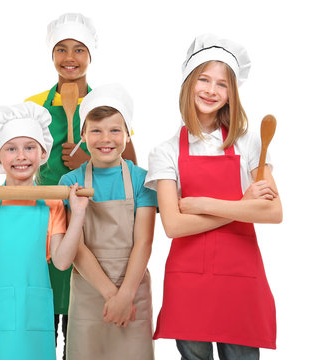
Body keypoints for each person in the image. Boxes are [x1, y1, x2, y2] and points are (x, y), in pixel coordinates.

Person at [145, 34, 282, 359]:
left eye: (221, 84)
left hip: (240, 274)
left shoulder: (249, 143)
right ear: (189, 83)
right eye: (203, 79)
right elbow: (174, 225)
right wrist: (243, 206)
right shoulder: (164, 152)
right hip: (189, 277)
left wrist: (202, 204)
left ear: (231, 94)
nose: (210, 90)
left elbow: (274, 212)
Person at [25, 14, 137, 355]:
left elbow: (130, 165)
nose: (69, 57)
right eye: (61, 49)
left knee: (82, 330)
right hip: (45, 226)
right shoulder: (33, 106)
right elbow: (18, 161)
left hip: (96, 227)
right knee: (42, 325)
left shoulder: (107, 104)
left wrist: (85, 162)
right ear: (51, 54)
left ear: (91, 56)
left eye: (79, 49)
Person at [0, 102, 88, 360]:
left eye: (30, 147)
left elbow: (62, 262)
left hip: (34, 313)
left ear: (42, 154)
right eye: (11, 149)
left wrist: (79, 214)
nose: (21, 156)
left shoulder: (51, 203)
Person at [59, 84, 157, 360]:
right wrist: (110, 295)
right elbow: (76, 247)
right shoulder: (70, 182)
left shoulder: (142, 180)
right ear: (83, 134)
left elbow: (144, 243)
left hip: (133, 290)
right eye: (96, 130)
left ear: (128, 134)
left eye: (115, 130)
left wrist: (124, 297)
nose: (106, 139)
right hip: (90, 293)